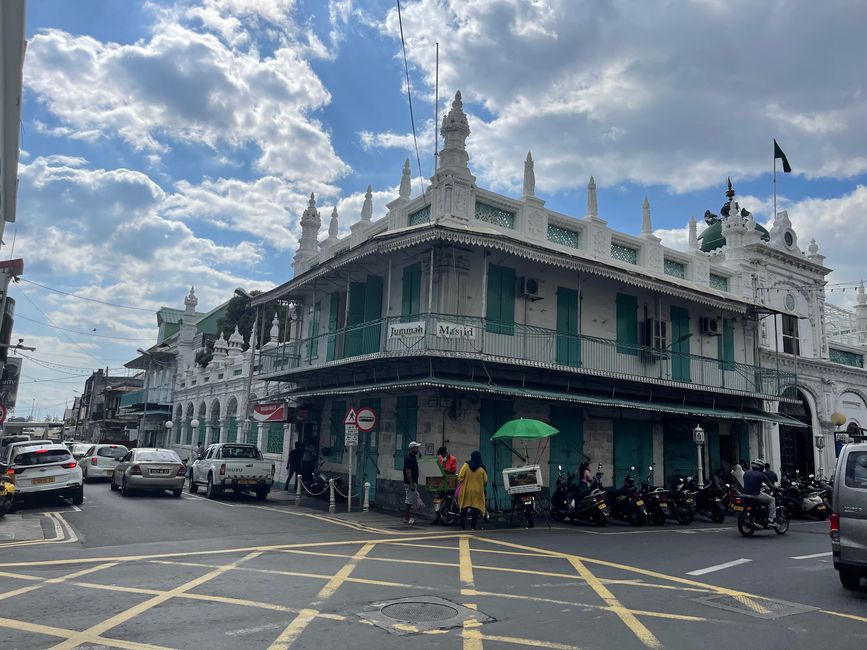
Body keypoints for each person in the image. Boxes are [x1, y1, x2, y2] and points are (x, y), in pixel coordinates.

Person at [457, 451, 488, 530]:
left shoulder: (466, 465)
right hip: (477, 492)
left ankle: (462, 526)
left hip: (466, 490)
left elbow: (460, 476)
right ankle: (473, 526)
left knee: (464, 508)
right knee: (475, 508)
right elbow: (485, 480)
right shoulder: (481, 468)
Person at [742, 458, 777, 524]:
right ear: (760, 467)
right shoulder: (762, 475)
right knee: (772, 500)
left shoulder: (746, 473)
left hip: (745, 494)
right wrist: (778, 489)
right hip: (756, 495)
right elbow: (771, 486)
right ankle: (771, 519)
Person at [403, 441, 422, 525]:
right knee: (409, 500)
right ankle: (406, 518)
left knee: (411, 500)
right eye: (416, 447)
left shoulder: (413, 457)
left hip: (413, 482)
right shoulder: (409, 458)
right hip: (410, 483)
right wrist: (411, 484)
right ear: (412, 448)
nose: (417, 449)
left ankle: (409, 517)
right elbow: (408, 472)